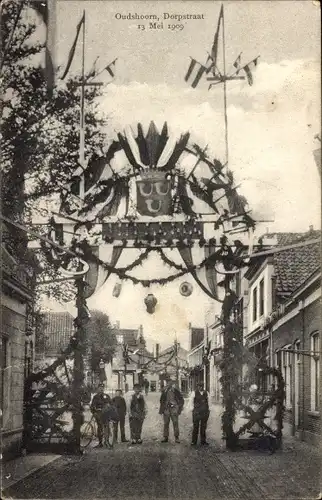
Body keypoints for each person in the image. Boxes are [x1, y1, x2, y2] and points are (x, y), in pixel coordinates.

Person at [159, 378, 184, 444]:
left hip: (174, 409)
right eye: (167, 382)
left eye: (170, 382)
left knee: (175, 422)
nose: (169, 384)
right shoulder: (164, 391)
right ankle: (165, 437)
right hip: (166, 409)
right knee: (166, 423)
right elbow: (161, 400)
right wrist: (162, 408)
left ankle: (176, 437)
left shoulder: (175, 391)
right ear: (166, 383)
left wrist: (179, 407)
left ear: (172, 383)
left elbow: (181, 399)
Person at [188, 381, 210, 446]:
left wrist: (209, 410)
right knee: (195, 427)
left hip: (204, 412)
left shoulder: (206, 393)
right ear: (197, 386)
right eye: (199, 386)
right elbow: (191, 402)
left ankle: (203, 441)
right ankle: (194, 441)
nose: (200, 387)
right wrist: (192, 409)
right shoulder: (194, 393)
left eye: (202, 386)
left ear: (203, 386)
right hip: (196, 412)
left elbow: (209, 402)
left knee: (203, 427)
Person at [90, 383, 112, 448]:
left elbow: (111, 404)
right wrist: (94, 413)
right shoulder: (95, 397)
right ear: (98, 389)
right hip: (98, 415)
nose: (101, 389)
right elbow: (92, 406)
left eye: (102, 388)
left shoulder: (107, 396)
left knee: (107, 428)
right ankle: (100, 443)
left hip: (106, 415)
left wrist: (108, 407)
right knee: (99, 428)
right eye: (100, 388)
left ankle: (107, 442)